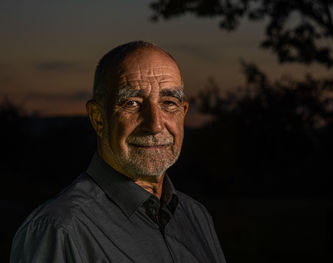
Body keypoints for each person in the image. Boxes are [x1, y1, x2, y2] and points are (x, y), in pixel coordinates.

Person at [10, 41, 226, 263]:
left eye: (169, 103)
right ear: (98, 118)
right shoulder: (59, 230)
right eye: (132, 103)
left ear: (184, 112)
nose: (155, 124)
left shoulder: (196, 216)